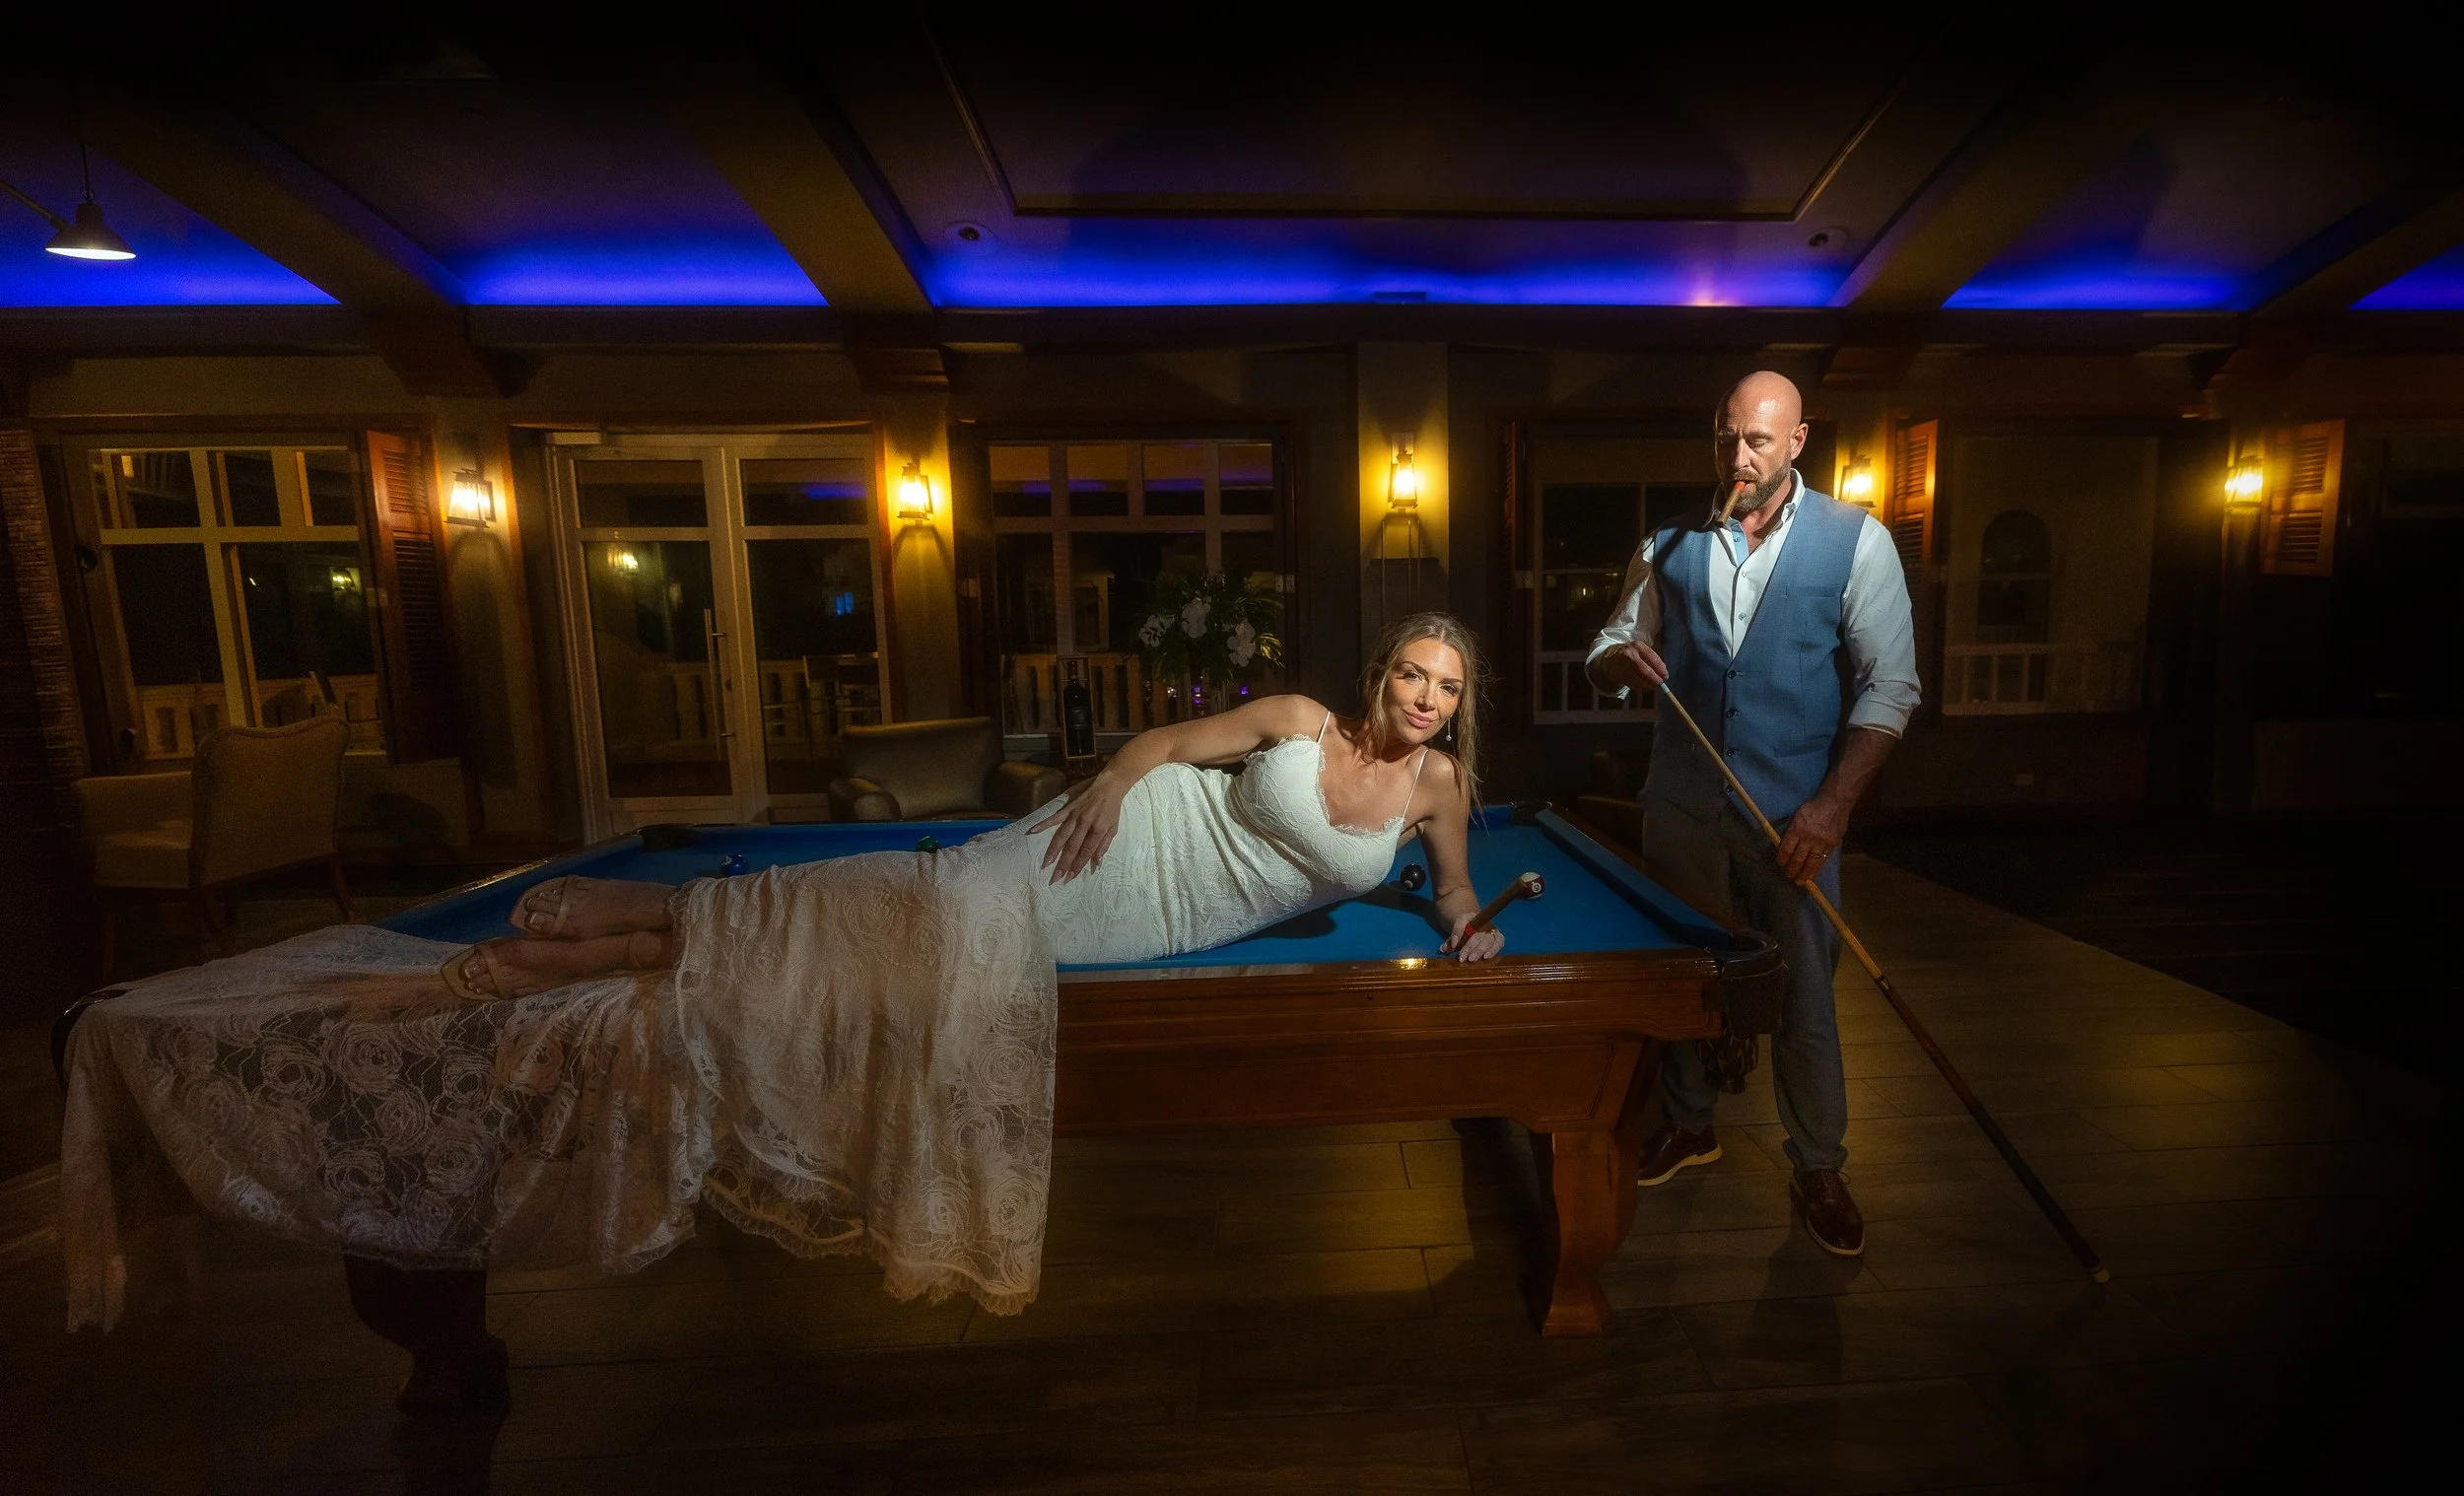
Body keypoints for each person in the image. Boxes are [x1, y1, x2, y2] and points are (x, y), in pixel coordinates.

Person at [428, 610, 1503, 1309]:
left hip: (1159, 919)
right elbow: (1170, 745)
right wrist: (1111, 789)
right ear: (1378, 675)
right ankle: (638, 931)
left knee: (904, 942)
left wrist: (1468, 923)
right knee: (916, 905)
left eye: (1444, 688)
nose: (1423, 697)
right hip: (1116, 839)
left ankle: (648, 940)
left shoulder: (1437, 786)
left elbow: (1453, 883)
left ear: (1457, 705)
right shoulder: (1300, 719)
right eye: (1411, 674)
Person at [1586, 373, 1919, 1258]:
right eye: (1729, 438)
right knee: (1689, 979)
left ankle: (1819, 1163)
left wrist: (1831, 808)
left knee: (1804, 995)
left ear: (1798, 439)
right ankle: (1691, 1124)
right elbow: (1606, 647)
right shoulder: (1668, 544)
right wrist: (1625, 661)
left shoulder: (1857, 542)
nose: (1740, 458)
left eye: (1759, 442)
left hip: (1794, 822)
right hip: (1683, 810)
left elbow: (1892, 689)